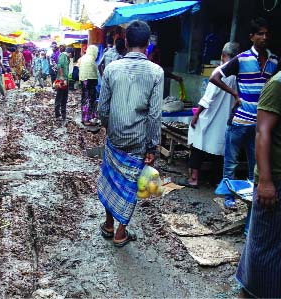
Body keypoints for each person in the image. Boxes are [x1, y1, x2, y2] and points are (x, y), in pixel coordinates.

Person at [97, 20, 163, 247]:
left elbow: (102, 108)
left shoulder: (111, 68)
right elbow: (155, 115)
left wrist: (110, 127)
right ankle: (120, 232)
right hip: (138, 141)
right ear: (147, 44)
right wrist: (152, 146)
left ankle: (108, 224)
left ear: (125, 41)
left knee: (110, 180)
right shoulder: (156, 72)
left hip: (114, 138)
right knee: (129, 186)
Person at [209, 17, 278, 209]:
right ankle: (228, 197)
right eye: (260, 34)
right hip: (240, 121)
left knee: (255, 164)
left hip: (261, 124)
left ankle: (252, 196)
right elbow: (215, 77)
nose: (264, 37)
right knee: (230, 163)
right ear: (252, 37)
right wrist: (235, 94)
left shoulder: (274, 60)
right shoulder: (241, 59)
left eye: (266, 34)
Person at [235, 63, 281, 298]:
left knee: (280, 247)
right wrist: (266, 181)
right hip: (278, 178)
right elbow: (262, 131)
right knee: (263, 247)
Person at [182, 42, 240, 188]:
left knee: (198, 144)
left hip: (209, 116)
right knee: (220, 149)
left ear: (223, 55)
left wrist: (196, 115)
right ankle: (216, 180)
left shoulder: (220, 72)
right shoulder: (236, 74)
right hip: (225, 117)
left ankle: (194, 179)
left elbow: (208, 98)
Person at [79, 45, 99, 125]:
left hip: (83, 80)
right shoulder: (91, 59)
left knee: (84, 99)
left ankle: (84, 118)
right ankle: (87, 119)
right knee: (90, 100)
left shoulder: (83, 57)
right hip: (90, 81)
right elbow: (94, 73)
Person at [54, 45, 71, 121]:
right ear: (70, 53)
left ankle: (63, 114)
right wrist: (61, 76)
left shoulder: (66, 58)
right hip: (62, 79)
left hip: (66, 79)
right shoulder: (62, 56)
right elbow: (59, 66)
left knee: (64, 97)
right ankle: (57, 114)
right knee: (59, 97)